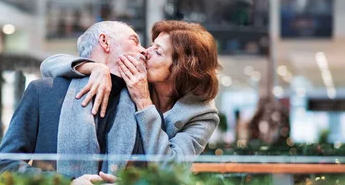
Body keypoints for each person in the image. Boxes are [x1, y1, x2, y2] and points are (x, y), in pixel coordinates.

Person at [0, 21, 147, 185]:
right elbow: (3, 167)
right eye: (134, 41)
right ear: (105, 41)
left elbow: (159, 174)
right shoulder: (44, 92)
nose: (144, 50)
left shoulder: (143, 104)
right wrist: (67, 184)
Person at [40, 20, 220, 165]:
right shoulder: (131, 77)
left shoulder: (202, 115)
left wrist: (143, 101)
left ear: (181, 68)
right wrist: (94, 67)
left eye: (157, 51)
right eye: (151, 45)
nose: (145, 52)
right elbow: (50, 64)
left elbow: (171, 167)